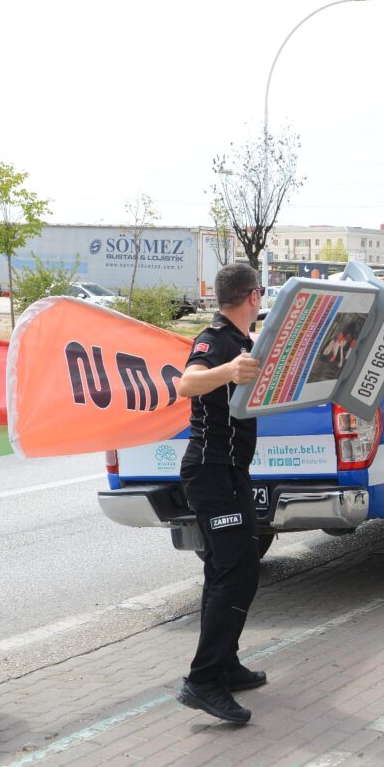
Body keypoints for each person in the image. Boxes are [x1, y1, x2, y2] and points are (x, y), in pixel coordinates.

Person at [175, 263, 268, 724]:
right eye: (262, 294)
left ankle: (226, 663)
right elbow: (186, 383)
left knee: (232, 569)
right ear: (252, 296)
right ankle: (203, 680)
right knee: (236, 572)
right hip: (210, 472)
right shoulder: (215, 340)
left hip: (233, 472)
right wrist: (229, 370)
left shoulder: (248, 343)